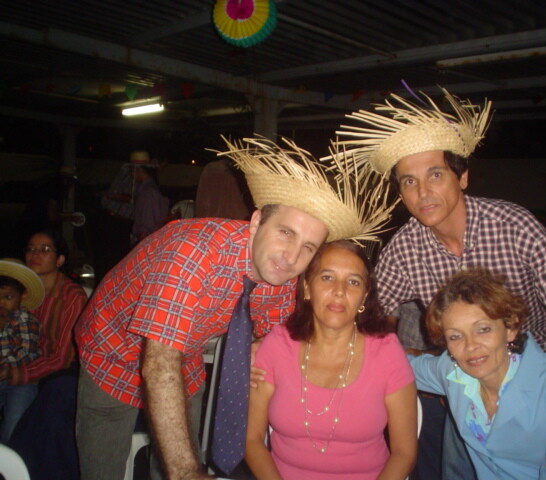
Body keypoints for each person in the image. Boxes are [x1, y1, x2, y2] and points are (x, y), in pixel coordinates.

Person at [74, 136, 394, 480]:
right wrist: (186, 472)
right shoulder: (193, 253)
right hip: (111, 350)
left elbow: (281, 336)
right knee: (107, 469)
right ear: (256, 223)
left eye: (308, 247)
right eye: (286, 233)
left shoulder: (282, 275)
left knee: (174, 455)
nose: (291, 257)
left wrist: (263, 348)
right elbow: (159, 363)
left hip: (185, 357)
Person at [334, 88, 546, 480]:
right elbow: (369, 317)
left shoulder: (515, 228)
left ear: (462, 176)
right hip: (468, 384)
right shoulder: (405, 248)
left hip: (543, 391)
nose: (423, 192)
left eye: (435, 175)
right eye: (409, 181)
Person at [246, 240, 417, 480]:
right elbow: (251, 440)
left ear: (364, 297)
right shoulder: (277, 345)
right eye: (327, 277)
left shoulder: (386, 352)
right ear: (307, 288)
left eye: (353, 282)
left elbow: (404, 452)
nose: (339, 291)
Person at [410, 269, 546, 480]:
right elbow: (401, 367)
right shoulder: (452, 371)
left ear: (510, 328)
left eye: (483, 330)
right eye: (455, 336)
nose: (470, 346)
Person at [6, 230, 88, 480]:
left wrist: (14, 373)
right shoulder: (21, 294)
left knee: (16, 428)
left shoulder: (71, 296)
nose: (35, 255)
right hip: (22, 369)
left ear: (60, 259)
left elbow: (62, 358)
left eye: (44, 250)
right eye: (31, 249)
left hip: (54, 376)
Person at [0, 258, 44, 443]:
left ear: (22, 297)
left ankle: (10, 456)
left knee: (14, 423)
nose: (1, 303)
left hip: (23, 381)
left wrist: (5, 366)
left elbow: (27, 352)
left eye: (8, 297)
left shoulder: (24, 319)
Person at [128, 151, 170, 245]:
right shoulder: (145, 189)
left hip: (146, 242)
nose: (130, 173)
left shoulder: (148, 193)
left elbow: (146, 228)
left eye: (131, 169)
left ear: (137, 170)